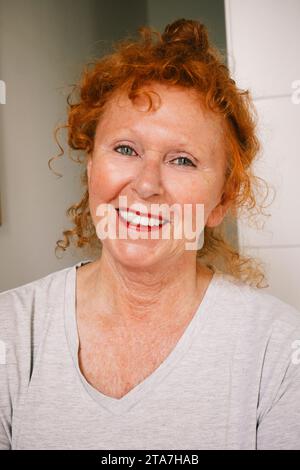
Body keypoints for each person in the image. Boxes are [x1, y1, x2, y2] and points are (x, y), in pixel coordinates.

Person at [0, 18, 300, 451]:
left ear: (221, 201)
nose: (146, 184)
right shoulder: (11, 330)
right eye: (126, 149)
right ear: (90, 167)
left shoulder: (280, 353)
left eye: (183, 160)